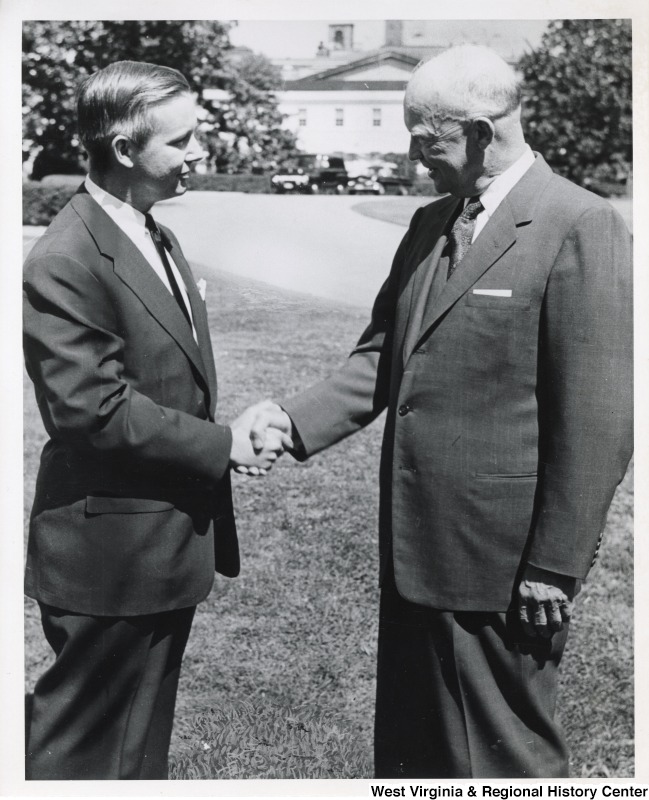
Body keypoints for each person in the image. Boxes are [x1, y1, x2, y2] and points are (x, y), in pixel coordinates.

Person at [245, 45, 633, 778]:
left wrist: (552, 564)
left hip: (503, 564)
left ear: (482, 134)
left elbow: (599, 418)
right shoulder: (430, 223)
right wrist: (288, 424)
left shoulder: (578, 223)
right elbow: (381, 357)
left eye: (426, 140)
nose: (413, 156)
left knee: (501, 760)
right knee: (414, 753)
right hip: (415, 549)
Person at [22, 60, 288, 780]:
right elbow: (92, 410)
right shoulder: (68, 255)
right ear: (122, 149)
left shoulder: (153, 234)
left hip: (161, 548)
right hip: (109, 558)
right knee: (80, 758)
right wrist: (222, 443)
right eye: (181, 140)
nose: (196, 153)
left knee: (136, 756)